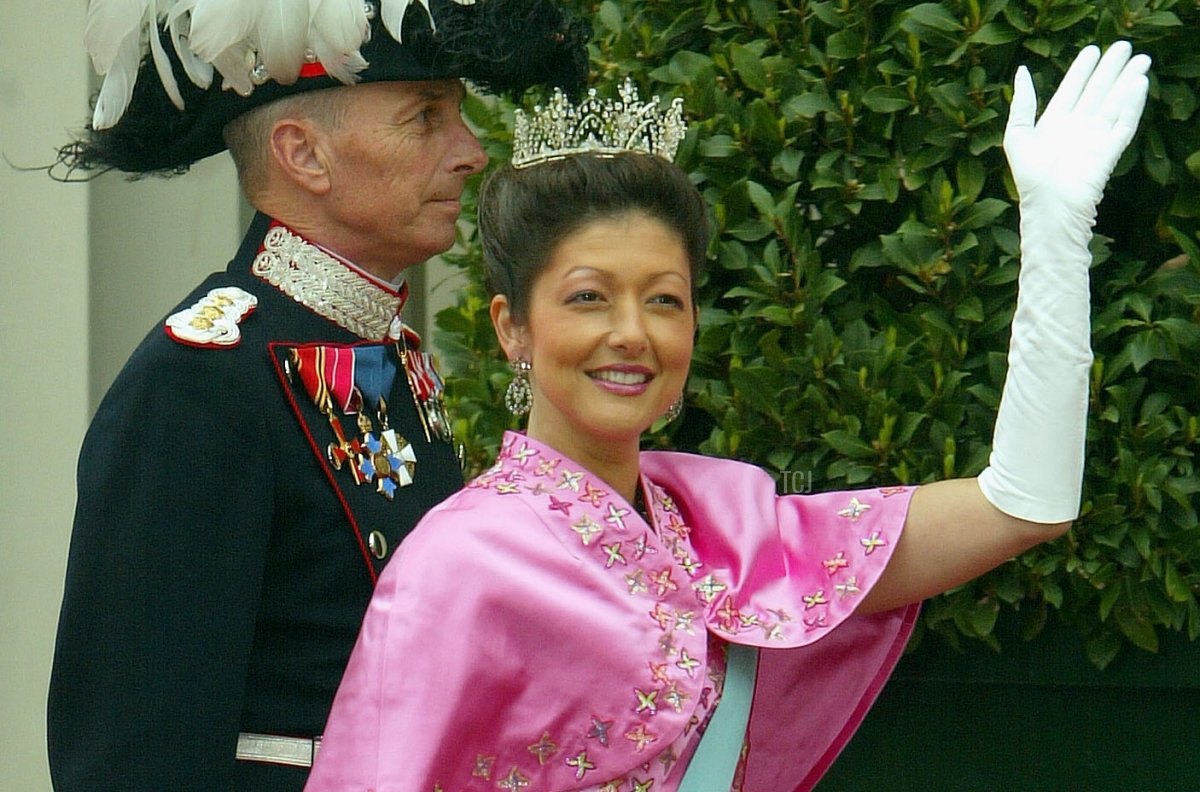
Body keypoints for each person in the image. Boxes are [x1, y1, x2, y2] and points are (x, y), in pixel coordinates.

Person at [304, 42, 1150, 791]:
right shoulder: (457, 565)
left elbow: (1024, 503)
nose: (630, 333)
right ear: (511, 326)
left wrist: (1056, 235)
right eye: (589, 297)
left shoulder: (727, 533)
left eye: (664, 300)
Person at [47, 1, 588, 790]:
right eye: (424, 118)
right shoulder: (199, 384)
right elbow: (133, 756)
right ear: (303, 154)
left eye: (460, 116)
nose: (470, 152)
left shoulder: (379, 356)